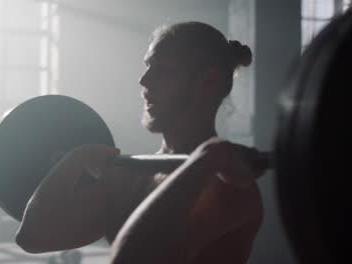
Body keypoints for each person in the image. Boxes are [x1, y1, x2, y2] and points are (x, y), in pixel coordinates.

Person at [15, 21, 266, 264]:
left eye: (163, 70)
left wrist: (207, 160)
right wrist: (76, 159)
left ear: (208, 81)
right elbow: (34, 237)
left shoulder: (226, 185)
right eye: (147, 66)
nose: (144, 81)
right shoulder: (130, 176)